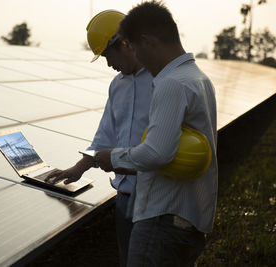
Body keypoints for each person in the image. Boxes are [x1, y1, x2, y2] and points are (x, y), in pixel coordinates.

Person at [94, 1, 218, 266]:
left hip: (163, 219)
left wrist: (113, 158)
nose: (136, 57)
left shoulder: (170, 83)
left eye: (135, 48)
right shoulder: (198, 78)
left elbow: (157, 153)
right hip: (189, 217)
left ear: (147, 41)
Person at [45, 10, 153, 267]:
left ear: (123, 43)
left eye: (107, 55)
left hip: (156, 200)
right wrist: (78, 169)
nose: (108, 64)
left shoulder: (163, 81)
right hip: (125, 200)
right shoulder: (117, 85)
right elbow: (104, 136)